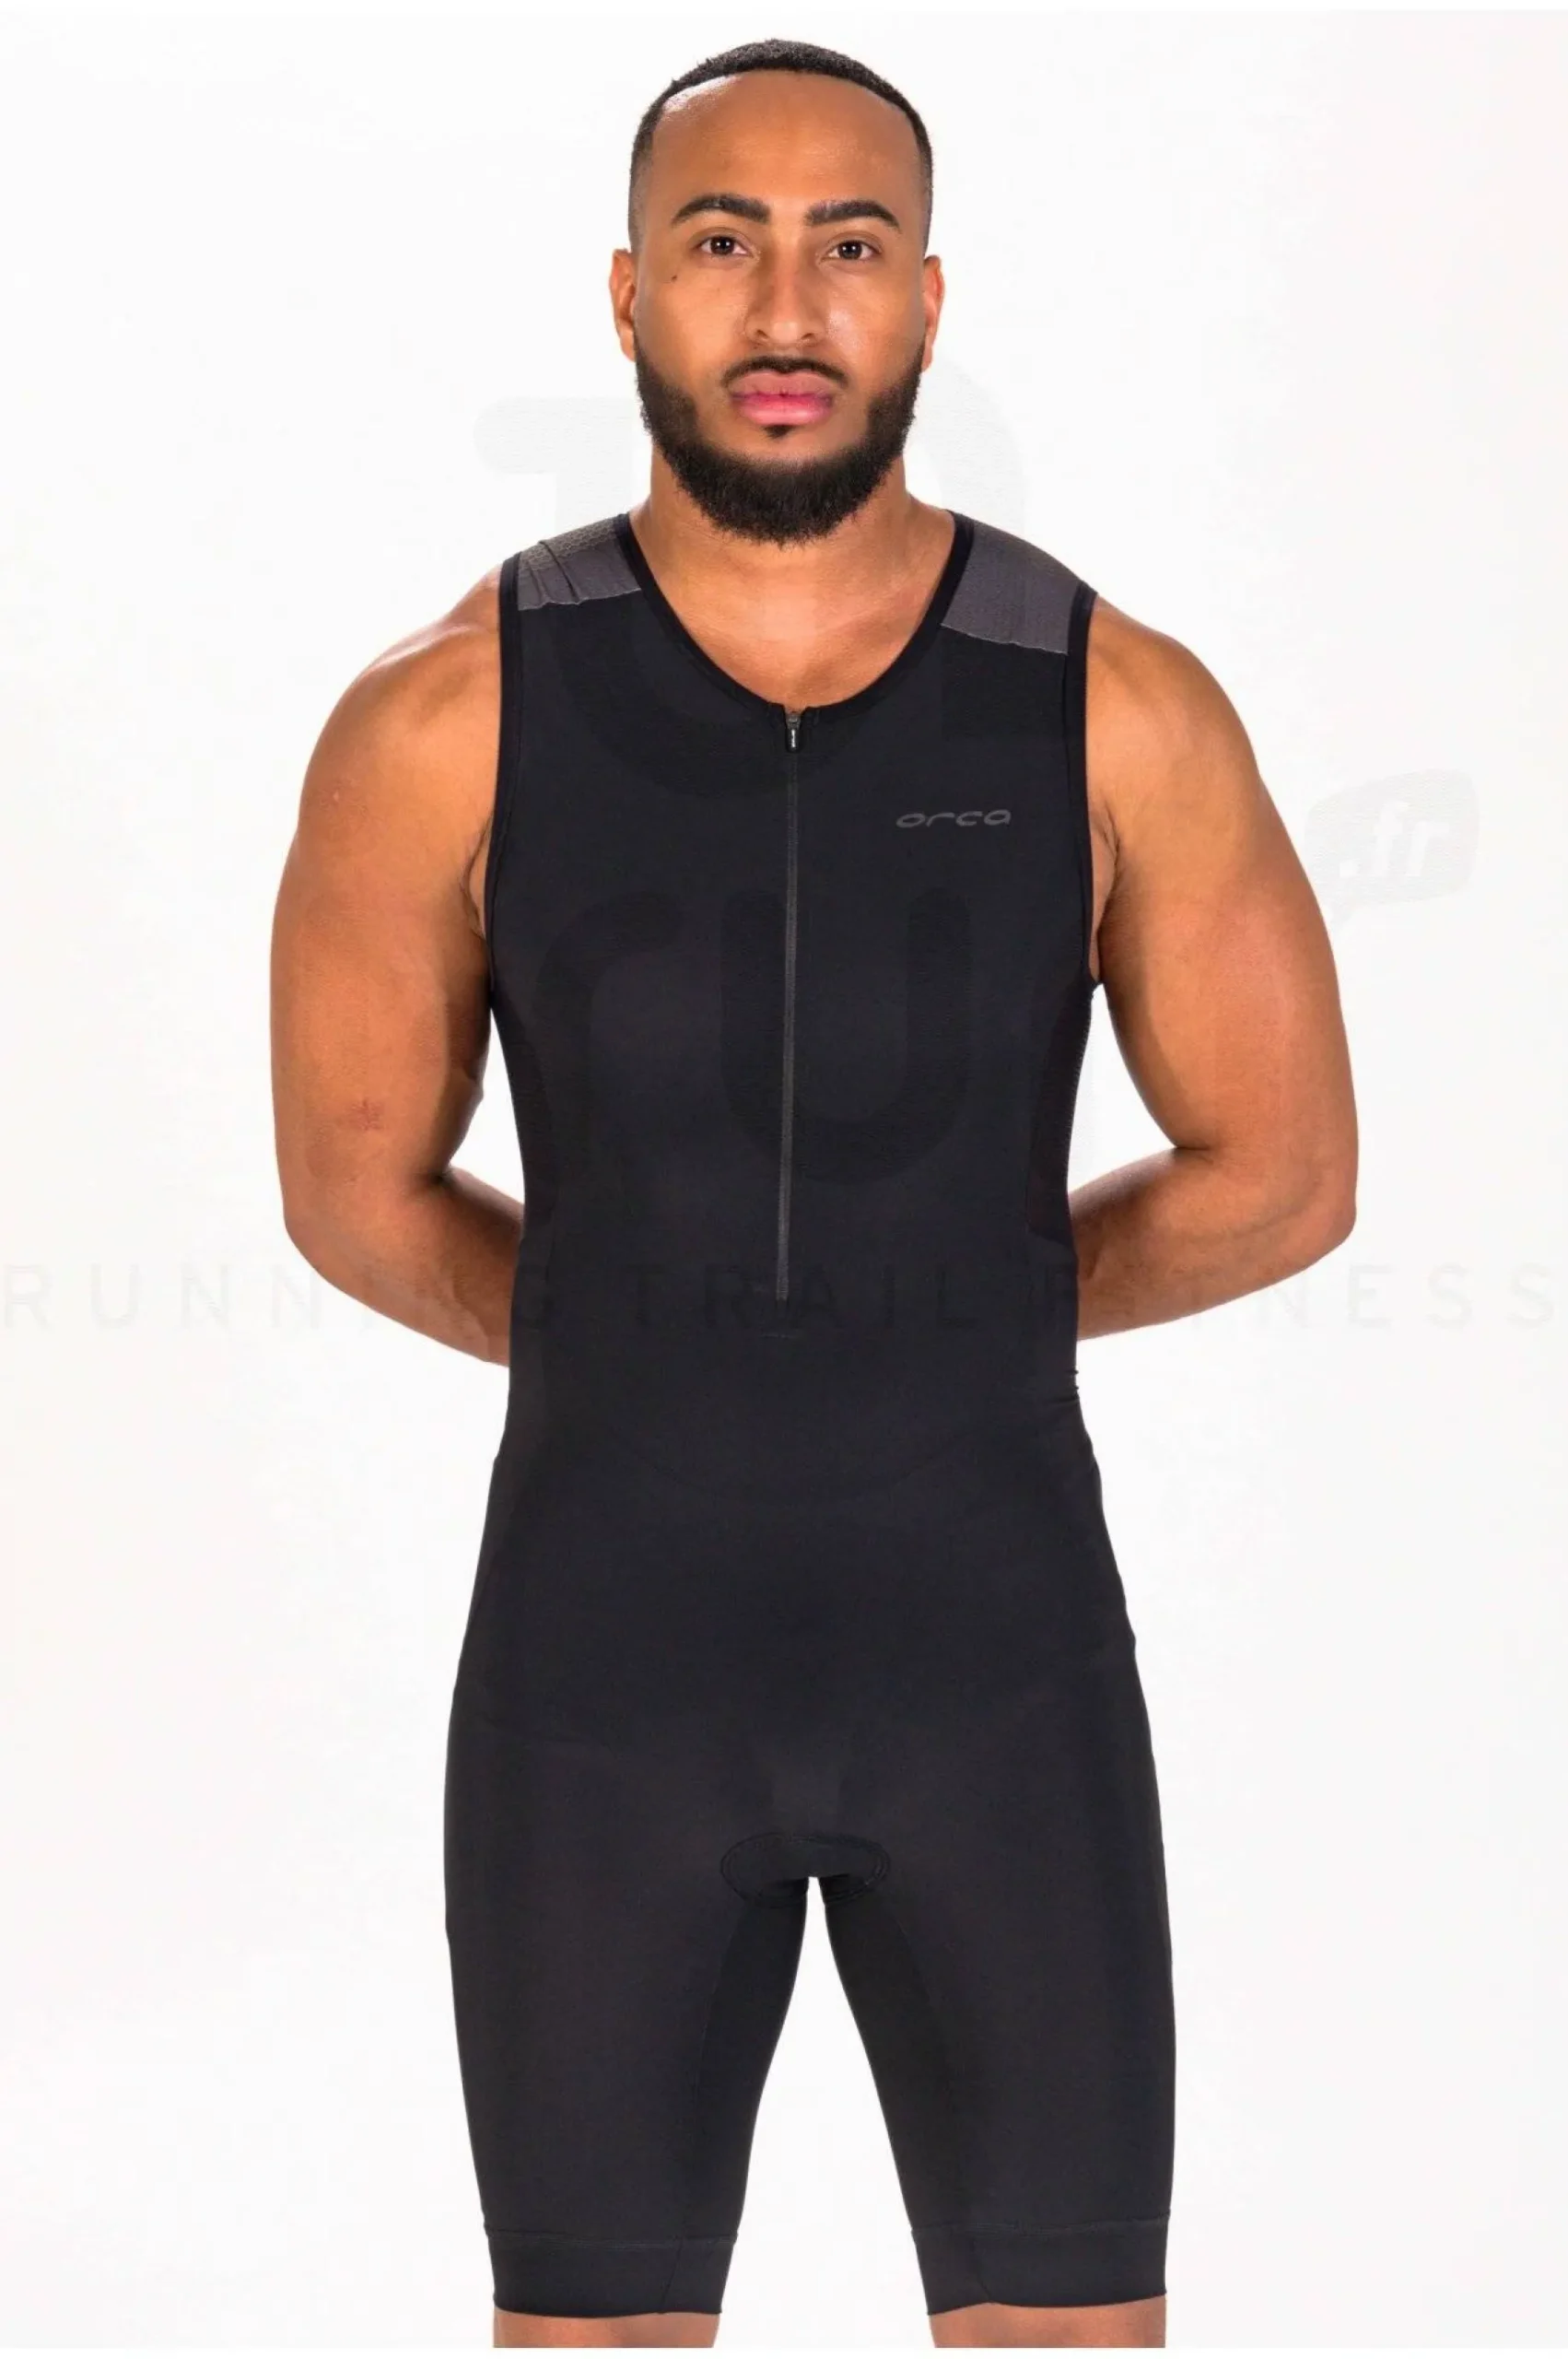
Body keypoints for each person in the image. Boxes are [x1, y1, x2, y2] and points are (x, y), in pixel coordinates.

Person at [269, 37, 1357, 2351]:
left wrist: (962, 1299)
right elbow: (356, 1193)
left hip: (999, 1687)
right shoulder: (444, 719)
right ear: (626, 295)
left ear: (927, 298)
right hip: (599, 1697)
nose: (785, 305)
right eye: (720, 242)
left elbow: (1281, 1174)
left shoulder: (1110, 707)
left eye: (847, 244)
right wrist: (635, 1321)